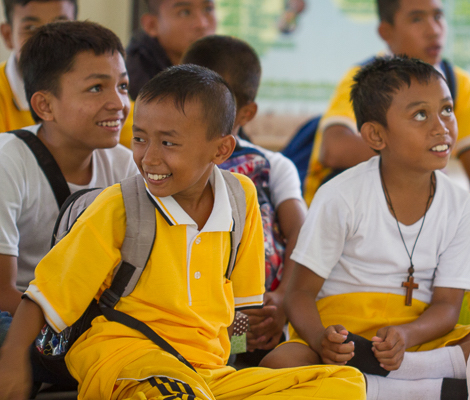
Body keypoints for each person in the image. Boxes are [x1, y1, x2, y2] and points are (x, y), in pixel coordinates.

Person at [0, 64, 366, 399]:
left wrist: (239, 362)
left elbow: (240, 311)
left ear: (221, 149)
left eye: (169, 142)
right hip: (128, 359)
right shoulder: (119, 206)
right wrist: (13, 362)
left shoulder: (242, 199)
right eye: (140, 139)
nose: (149, 157)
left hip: (206, 371)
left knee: (345, 384)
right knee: (173, 394)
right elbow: (45, 296)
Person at [259, 56, 470, 400]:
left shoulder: (463, 207)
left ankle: (385, 384)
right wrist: (321, 340)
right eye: (421, 115)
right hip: (343, 340)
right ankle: (436, 388)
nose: (442, 127)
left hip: (419, 341)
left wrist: (407, 335)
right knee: (281, 364)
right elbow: (298, 295)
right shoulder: (340, 195)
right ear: (376, 134)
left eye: (447, 110)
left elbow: (448, 307)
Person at [304, 0, 470, 255]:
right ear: (386, 32)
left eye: (439, 16)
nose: (433, 30)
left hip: (415, 207)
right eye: (417, 19)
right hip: (352, 213)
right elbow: (334, 149)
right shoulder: (363, 79)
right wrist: (416, 162)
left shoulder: (460, 85)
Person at [0, 21, 138, 319]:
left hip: (89, 317)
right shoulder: (7, 162)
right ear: (45, 105)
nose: (118, 103)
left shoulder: (123, 164)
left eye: (123, 86)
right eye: (96, 88)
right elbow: (2, 294)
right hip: (21, 315)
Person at [182, 36, 307, 361]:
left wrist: (282, 298)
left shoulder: (271, 166)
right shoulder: (162, 163)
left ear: (247, 111)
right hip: (187, 307)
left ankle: (240, 361)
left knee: (247, 355)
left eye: (214, 104)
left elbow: (301, 233)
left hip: (256, 304)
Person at [0, 0, 76, 133]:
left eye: (61, 26)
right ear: (8, 35)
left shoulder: (98, 85)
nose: (48, 41)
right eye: (31, 28)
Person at [126, 0, 216, 100]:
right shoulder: (134, 81)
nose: (202, 24)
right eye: (185, 12)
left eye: (208, 9)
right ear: (151, 25)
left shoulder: (222, 64)